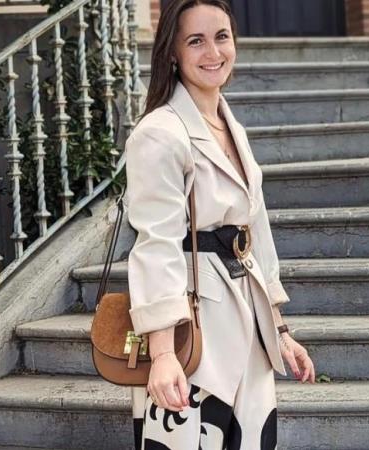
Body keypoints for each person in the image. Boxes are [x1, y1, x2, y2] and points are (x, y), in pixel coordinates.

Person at [122, 0, 316, 449]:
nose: (213, 52)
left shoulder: (232, 127)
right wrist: (163, 353)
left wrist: (280, 331)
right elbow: (156, 243)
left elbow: (255, 233)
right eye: (196, 41)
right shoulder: (159, 132)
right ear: (173, 52)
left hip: (248, 318)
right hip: (195, 328)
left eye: (221, 37)